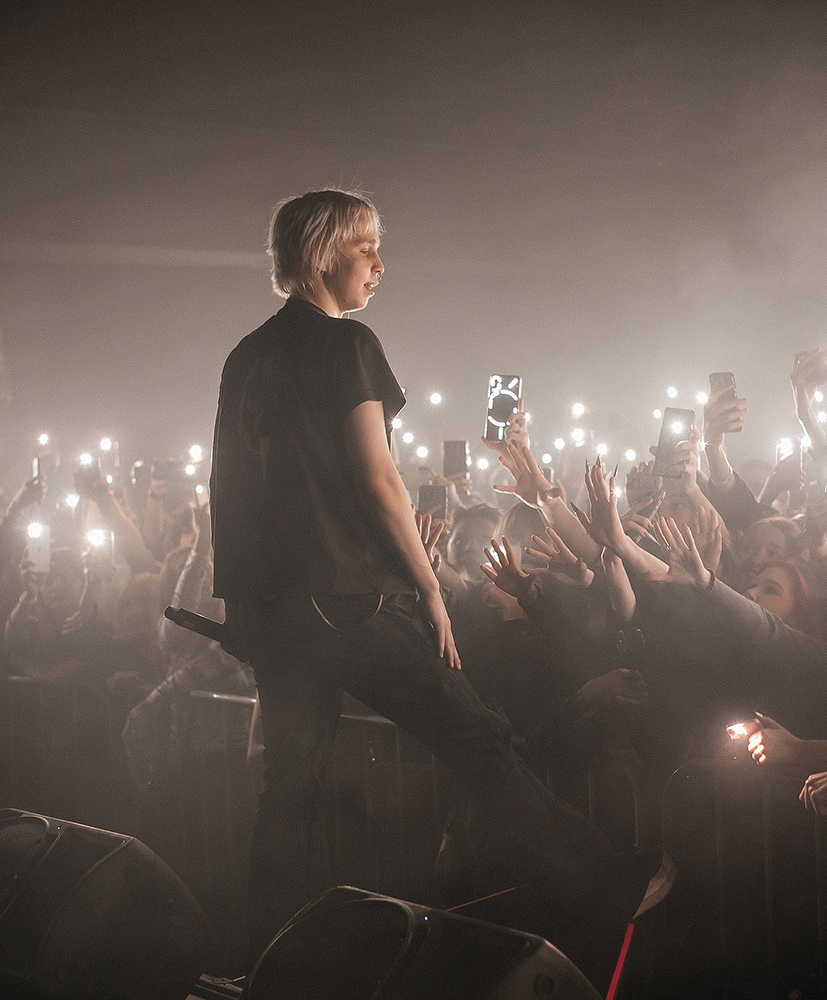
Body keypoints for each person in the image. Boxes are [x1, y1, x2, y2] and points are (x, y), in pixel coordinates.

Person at [209, 189, 653, 969]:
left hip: (276, 612)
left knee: (290, 788)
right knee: (478, 736)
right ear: (320, 255)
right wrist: (432, 589)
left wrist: (245, 607)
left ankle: (268, 964)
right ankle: (605, 886)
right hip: (348, 603)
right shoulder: (347, 344)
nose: (380, 264)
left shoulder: (246, 356)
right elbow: (379, 479)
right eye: (365, 247)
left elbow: (232, 489)